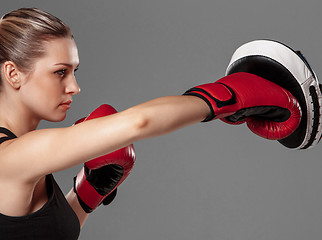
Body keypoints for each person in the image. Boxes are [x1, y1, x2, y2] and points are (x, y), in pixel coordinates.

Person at [0, 8, 309, 240]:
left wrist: (85, 197)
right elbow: (139, 122)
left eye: (74, 71)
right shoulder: (10, 158)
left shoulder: (25, 160)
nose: (74, 87)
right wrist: (228, 95)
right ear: (13, 74)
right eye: (59, 72)